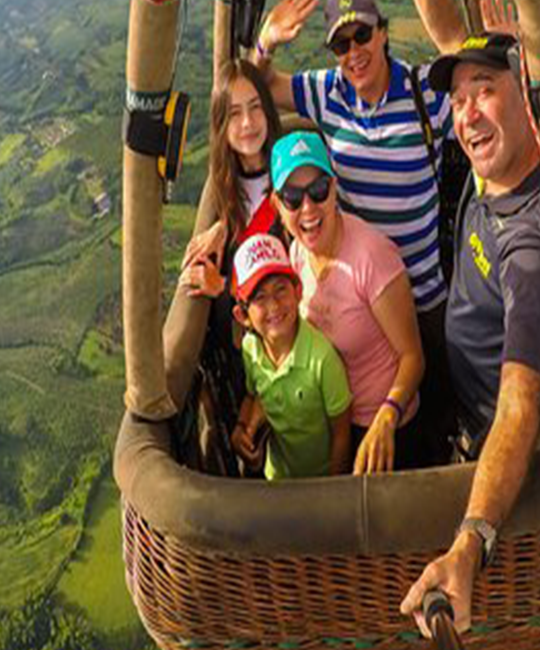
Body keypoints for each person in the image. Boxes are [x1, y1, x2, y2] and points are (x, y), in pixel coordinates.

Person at [251, 0, 469, 461]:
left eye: (363, 36)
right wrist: (266, 42)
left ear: (384, 34)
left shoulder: (425, 93)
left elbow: (459, 48)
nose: (353, 52)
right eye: (341, 43)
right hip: (348, 302)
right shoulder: (326, 93)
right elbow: (251, 92)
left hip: (421, 301)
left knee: (437, 420)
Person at [400, 32, 540, 635]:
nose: (466, 111)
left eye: (485, 91)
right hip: (462, 422)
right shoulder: (490, 180)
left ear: (526, 99)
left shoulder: (529, 246)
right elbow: (455, 37)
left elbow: (521, 406)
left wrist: (471, 541)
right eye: (457, 97)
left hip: (492, 453)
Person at [269, 131, 428, 473]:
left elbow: (413, 357)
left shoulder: (371, 257)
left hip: (387, 428)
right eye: (293, 198)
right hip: (334, 421)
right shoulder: (297, 253)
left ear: (334, 188)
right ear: (277, 206)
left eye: (318, 191)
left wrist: (387, 416)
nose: (308, 207)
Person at [176, 59, 284, 474]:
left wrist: (222, 288)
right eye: (234, 113)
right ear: (221, 125)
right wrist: (222, 224)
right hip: (245, 370)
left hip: (283, 367)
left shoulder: (292, 184)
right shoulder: (227, 189)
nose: (248, 123)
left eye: (256, 107)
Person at [229, 232, 353, 480]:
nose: (274, 306)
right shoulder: (251, 350)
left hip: (321, 480)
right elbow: (253, 394)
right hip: (277, 478)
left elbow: (342, 433)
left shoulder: (322, 359)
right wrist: (242, 428)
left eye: (280, 290)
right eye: (260, 298)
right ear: (243, 315)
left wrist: (333, 489)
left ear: (298, 292)